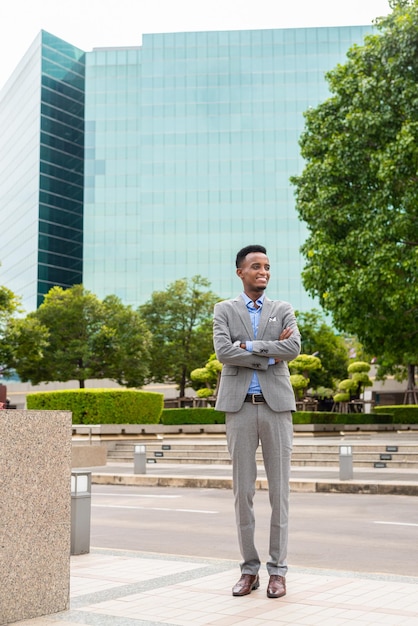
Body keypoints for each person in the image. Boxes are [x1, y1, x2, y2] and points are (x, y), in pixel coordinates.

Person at [213, 244, 301, 598]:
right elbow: (223, 352)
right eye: (255, 266)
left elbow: (293, 348)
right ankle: (249, 570)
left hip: (277, 407)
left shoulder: (283, 309)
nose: (263, 271)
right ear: (240, 272)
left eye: (267, 266)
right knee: (243, 493)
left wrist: (246, 346)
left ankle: (278, 571)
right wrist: (268, 352)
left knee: (279, 494)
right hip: (239, 408)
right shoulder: (224, 310)